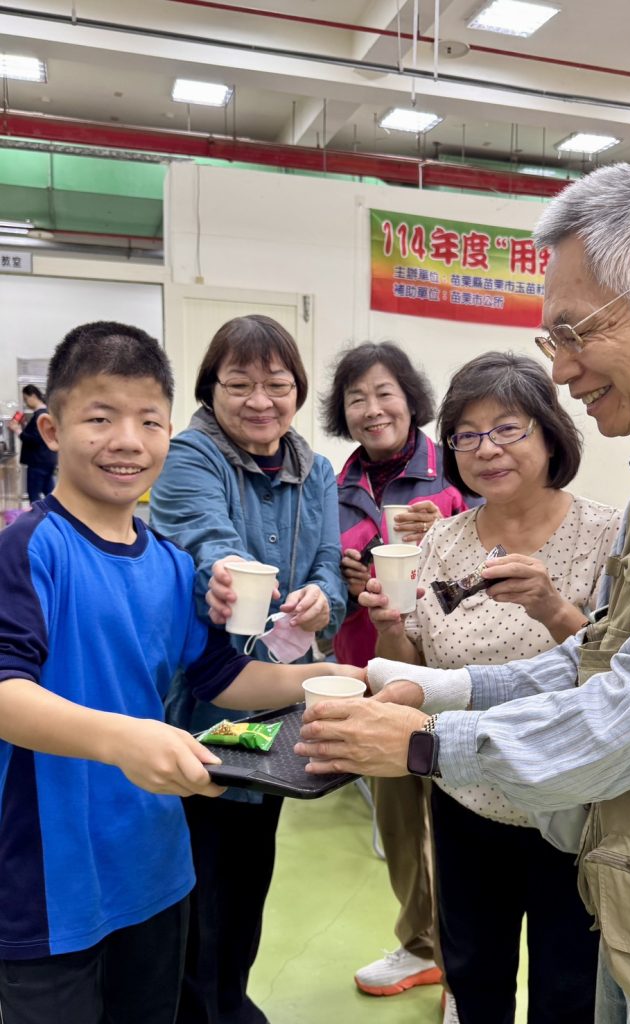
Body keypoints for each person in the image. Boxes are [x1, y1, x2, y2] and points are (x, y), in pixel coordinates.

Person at [296, 163, 630, 1024]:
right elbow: (598, 655)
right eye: (552, 342)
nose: (564, 371)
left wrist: (427, 743)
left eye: (576, 333)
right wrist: (436, 690)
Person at [0, 320, 363, 1024]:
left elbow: (221, 677)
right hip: (51, 881)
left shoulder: (167, 564)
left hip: (156, 872)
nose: (127, 441)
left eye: (148, 421)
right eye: (99, 418)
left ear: (168, 433)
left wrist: (347, 676)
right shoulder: (28, 549)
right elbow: (8, 691)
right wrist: (125, 740)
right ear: (51, 430)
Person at [359, 350, 620, 1024]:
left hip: (569, 803)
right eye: (466, 435)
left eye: (507, 428)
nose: (486, 449)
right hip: (463, 792)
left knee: (569, 988)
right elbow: (415, 665)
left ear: (549, 435)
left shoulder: (606, 534)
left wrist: (552, 608)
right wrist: (388, 628)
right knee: (473, 975)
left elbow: (619, 669)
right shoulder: (441, 541)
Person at [150, 314, 347, 1024]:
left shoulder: (314, 470)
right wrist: (227, 576)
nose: (260, 401)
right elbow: (209, 540)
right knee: (194, 877)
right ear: (211, 388)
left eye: (277, 385)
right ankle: (200, 1007)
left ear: (298, 391)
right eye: (239, 384)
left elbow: (329, 564)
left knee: (248, 872)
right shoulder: (190, 456)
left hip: (275, 711)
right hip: (200, 704)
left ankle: (228, 998)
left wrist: (323, 598)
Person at [321, 341, 471, 998]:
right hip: (370, 670)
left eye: (385, 393)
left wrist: (452, 526)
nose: (372, 409)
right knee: (399, 824)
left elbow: (497, 557)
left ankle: (468, 969)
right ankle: (420, 946)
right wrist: (344, 580)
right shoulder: (335, 487)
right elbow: (319, 584)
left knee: (460, 825)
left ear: (411, 399)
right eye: (356, 398)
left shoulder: (455, 473)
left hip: (448, 675)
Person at [9, 383, 57, 499]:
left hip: (38, 461)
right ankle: (54, 510)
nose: (26, 403)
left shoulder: (40, 416)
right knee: (50, 494)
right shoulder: (46, 413)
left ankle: (39, 512)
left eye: (26, 399)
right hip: (47, 459)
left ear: (33, 396)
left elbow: (35, 439)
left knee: (34, 495)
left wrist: (18, 430)